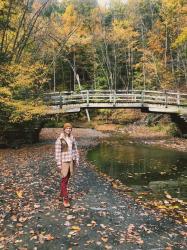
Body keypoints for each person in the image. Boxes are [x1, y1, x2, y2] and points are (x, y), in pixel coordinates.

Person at [55, 123, 79, 208]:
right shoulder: (60, 139)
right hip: (64, 162)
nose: (68, 129)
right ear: (64, 129)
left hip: (71, 161)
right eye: (67, 128)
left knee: (66, 179)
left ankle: (61, 195)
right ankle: (65, 199)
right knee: (64, 179)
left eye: (70, 128)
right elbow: (57, 153)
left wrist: (77, 159)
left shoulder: (72, 138)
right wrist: (59, 164)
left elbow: (75, 149)